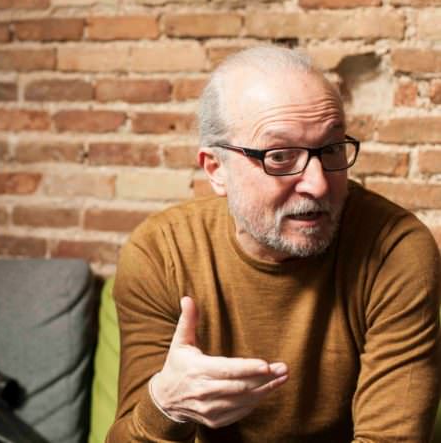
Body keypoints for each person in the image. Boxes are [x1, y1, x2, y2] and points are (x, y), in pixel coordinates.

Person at [107, 46, 441, 442]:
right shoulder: (161, 254)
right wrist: (166, 405)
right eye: (280, 156)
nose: (318, 184)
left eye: (331, 149)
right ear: (216, 170)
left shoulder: (394, 249)